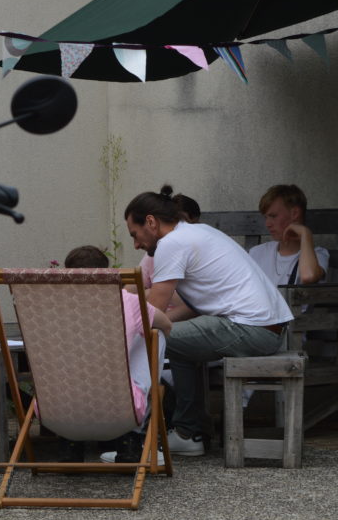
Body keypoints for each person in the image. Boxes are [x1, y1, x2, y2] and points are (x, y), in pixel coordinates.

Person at [124, 185, 293, 456]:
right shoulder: (197, 232)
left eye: (135, 234)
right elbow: (183, 310)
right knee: (176, 342)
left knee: (152, 340)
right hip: (265, 327)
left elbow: (152, 312)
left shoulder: (171, 244)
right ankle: (188, 434)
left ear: (151, 222)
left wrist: (114, 327)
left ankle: (135, 441)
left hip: (249, 328)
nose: (136, 244)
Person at [58, 246, 172, 464]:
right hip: (119, 409)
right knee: (155, 336)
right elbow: (167, 324)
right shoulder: (127, 302)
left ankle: (69, 443)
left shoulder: (49, 305)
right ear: (106, 273)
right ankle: (131, 439)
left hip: (58, 410)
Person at [249, 184, 328, 286]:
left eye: (273, 216)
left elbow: (308, 276)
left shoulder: (317, 255)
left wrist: (305, 234)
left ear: (294, 214)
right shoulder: (257, 252)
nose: (267, 224)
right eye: (266, 217)